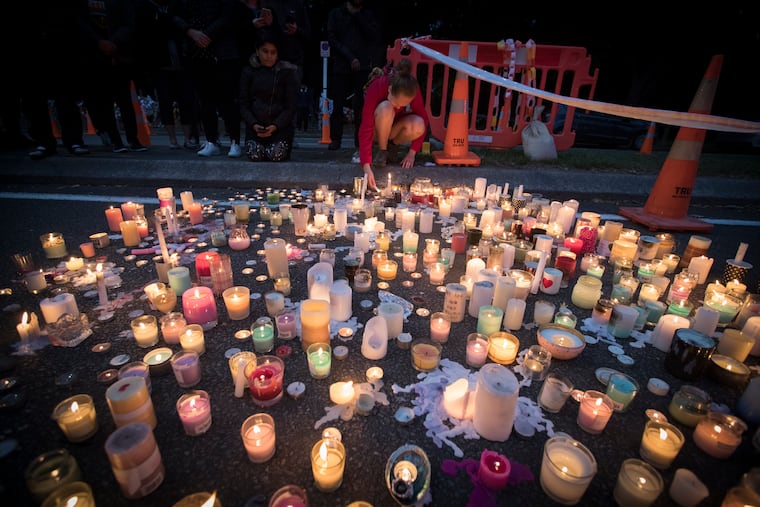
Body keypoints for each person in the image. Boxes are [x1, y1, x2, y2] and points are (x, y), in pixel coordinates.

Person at [173, 0, 243, 157]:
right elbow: (174, 15)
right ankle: (211, 140)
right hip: (196, 52)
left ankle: (235, 141)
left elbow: (229, 15)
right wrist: (190, 31)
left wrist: (207, 34)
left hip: (223, 51)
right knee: (205, 100)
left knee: (228, 99)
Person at [79, 0, 148, 153]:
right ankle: (115, 138)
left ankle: (132, 138)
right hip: (95, 55)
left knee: (124, 99)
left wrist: (113, 42)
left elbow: (129, 23)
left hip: (119, 54)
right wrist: (98, 42)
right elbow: (81, 23)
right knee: (104, 101)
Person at [134, 0, 200, 150]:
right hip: (160, 62)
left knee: (186, 100)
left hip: (181, 59)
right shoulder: (147, 9)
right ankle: (172, 139)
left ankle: (187, 138)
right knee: (165, 101)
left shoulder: (178, 6)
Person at [359, 57, 429, 190]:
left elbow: (423, 118)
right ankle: (383, 150)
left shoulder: (411, 89)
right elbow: (366, 128)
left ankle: (393, 146)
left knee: (418, 124)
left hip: (395, 128)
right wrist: (366, 167)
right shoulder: (377, 87)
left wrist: (412, 153)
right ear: (390, 89)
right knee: (386, 108)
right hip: (377, 129)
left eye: (403, 105)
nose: (398, 107)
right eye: (397, 103)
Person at [326, 0, 383, 154]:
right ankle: (335, 139)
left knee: (361, 105)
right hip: (341, 64)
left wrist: (358, 17)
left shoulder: (366, 15)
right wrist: (350, 57)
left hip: (363, 65)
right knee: (338, 104)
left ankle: (360, 140)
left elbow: (373, 35)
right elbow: (332, 39)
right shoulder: (336, 14)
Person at [239, 31, 298, 162]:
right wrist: (253, 124)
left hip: (279, 129)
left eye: (273, 52)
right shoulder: (248, 72)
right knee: (255, 154)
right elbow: (243, 103)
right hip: (255, 128)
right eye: (265, 51)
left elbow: (290, 106)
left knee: (276, 154)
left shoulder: (286, 73)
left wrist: (276, 125)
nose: (269, 56)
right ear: (257, 51)